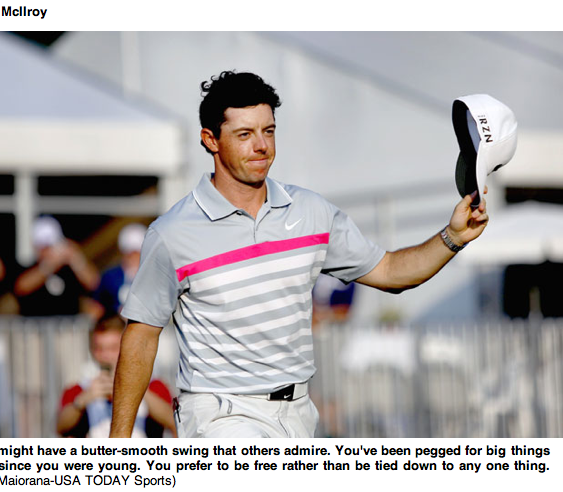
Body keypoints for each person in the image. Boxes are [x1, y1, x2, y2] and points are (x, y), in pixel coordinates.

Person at [110, 71, 489, 438]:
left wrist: (452, 237)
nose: (261, 145)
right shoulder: (173, 232)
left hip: (298, 414)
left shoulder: (311, 212)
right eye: (244, 134)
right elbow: (141, 336)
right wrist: (119, 443)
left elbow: (391, 272)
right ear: (211, 140)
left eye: (268, 131)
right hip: (219, 416)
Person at [57, 316, 176, 437]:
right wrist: (84, 399)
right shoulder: (80, 388)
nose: (106, 356)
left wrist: (136, 386)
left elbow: (173, 421)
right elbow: (60, 427)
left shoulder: (154, 385)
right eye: (99, 349)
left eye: (113, 348)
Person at [14, 216, 100, 316]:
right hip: (38, 323)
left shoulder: (68, 267)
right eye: (44, 247)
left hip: (69, 323)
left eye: (51, 246)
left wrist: (76, 259)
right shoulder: (28, 264)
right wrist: (49, 265)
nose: (48, 251)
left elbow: (93, 283)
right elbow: (21, 287)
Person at [91, 223, 147, 320]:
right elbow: (97, 306)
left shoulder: (155, 275)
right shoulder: (110, 277)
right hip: (117, 325)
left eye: (137, 253)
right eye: (130, 254)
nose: (133, 258)